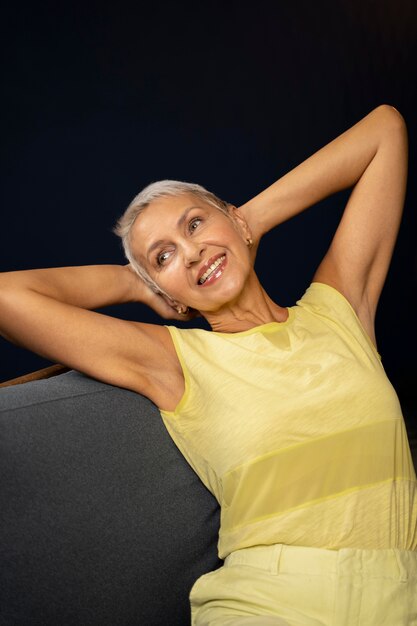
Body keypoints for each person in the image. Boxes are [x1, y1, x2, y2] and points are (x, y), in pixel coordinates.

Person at [0, 104, 416, 625]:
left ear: (233, 218)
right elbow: (5, 298)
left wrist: (250, 219)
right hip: (270, 606)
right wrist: (136, 283)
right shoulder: (175, 361)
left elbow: (385, 131)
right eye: (163, 256)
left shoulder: (342, 311)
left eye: (195, 224)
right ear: (168, 295)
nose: (192, 252)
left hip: (398, 602)